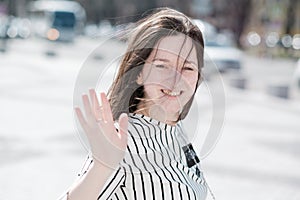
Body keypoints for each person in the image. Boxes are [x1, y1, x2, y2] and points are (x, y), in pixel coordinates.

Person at [60, 7, 208, 200]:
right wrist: (102, 166)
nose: (176, 79)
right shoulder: (123, 140)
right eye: (162, 66)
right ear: (139, 72)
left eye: (188, 67)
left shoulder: (174, 128)